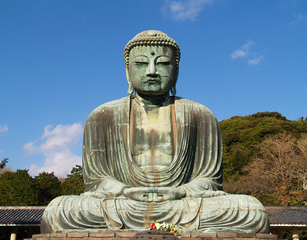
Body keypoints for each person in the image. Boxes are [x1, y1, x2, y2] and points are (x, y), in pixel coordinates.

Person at [41, 30, 269, 234]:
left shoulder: (200, 115)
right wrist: (125, 192)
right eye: (141, 63)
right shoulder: (102, 116)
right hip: (123, 204)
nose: (152, 71)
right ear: (127, 70)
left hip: (183, 203)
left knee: (251, 210)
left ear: (176, 70)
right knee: (59, 211)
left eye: (162, 64)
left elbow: (209, 180)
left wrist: (179, 193)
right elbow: (96, 180)